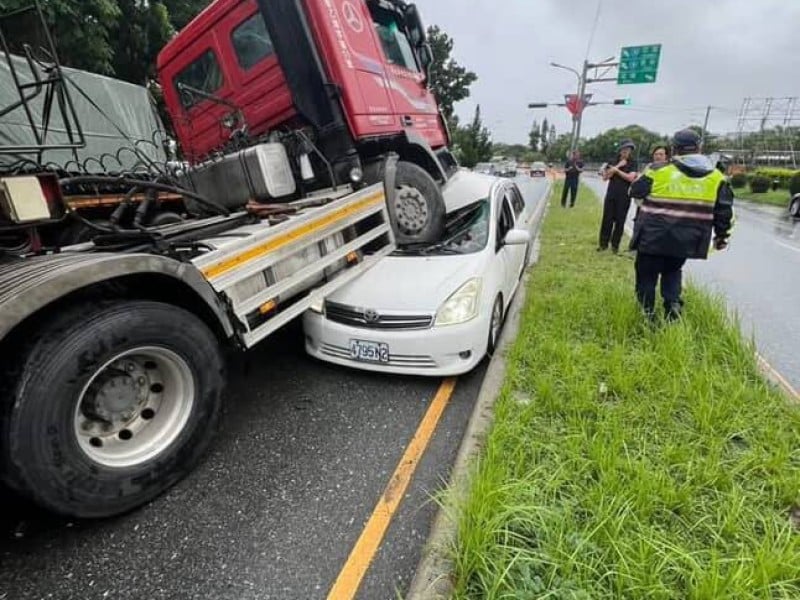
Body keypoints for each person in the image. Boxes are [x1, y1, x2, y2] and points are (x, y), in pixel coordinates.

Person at [629, 129, 734, 321]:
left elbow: (635, 191)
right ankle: (673, 306)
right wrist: (721, 237)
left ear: (673, 149)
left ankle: (647, 315)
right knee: (672, 271)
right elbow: (724, 212)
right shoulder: (717, 177)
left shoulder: (657, 170)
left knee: (646, 276)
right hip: (687, 240)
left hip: (653, 236)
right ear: (699, 148)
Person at [598, 140, 638, 253]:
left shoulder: (633, 162)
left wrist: (617, 171)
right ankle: (603, 244)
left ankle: (615, 246)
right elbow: (605, 177)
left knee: (620, 221)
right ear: (620, 150)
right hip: (611, 194)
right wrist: (617, 166)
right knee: (607, 220)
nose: (626, 151)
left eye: (628, 150)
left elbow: (631, 178)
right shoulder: (613, 161)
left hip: (624, 196)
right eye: (624, 149)